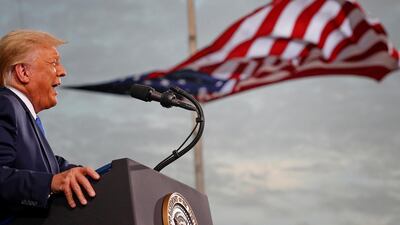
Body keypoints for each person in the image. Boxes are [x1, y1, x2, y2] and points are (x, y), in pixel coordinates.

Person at [0, 29, 100, 218]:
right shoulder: (6, 105)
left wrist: (81, 175)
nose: (63, 71)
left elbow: (51, 165)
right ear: (23, 72)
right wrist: (50, 183)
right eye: (54, 63)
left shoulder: (23, 116)